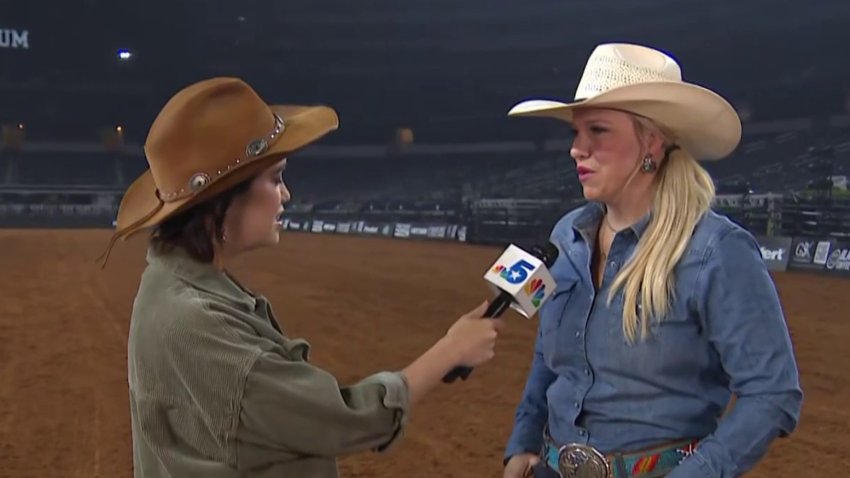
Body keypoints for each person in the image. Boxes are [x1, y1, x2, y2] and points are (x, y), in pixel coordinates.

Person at [97, 77, 503, 477]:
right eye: (275, 178)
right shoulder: (195, 321)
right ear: (223, 200)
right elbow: (340, 420)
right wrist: (451, 350)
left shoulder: (177, 286)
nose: (286, 194)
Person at [500, 43, 803, 478]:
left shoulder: (717, 252)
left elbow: (773, 393)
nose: (577, 149)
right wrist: (523, 442)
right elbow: (549, 358)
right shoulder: (566, 236)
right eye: (575, 133)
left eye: (598, 131)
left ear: (653, 142)